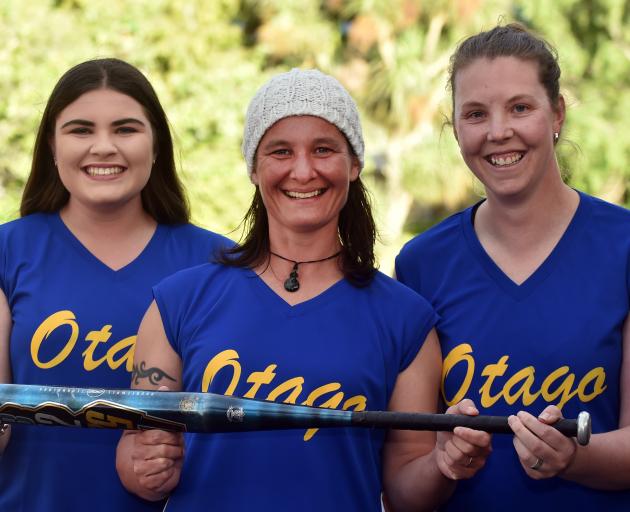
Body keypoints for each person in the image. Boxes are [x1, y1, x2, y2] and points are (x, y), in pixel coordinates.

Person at [115, 68, 491, 511]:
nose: (303, 170)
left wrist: (444, 462)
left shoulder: (406, 320)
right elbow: (134, 453)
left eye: (323, 149)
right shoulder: (178, 303)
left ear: (353, 164)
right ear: (254, 168)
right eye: (280, 151)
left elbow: (407, 492)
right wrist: (144, 467)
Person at [396, 23, 630, 510]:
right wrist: (444, 460)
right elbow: (404, 486)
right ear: (455, 128)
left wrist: (573, 457)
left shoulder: (622, 246)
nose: (498, 131)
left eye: (520, 108)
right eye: (476, 114)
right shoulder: (421, 264)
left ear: (557, 113)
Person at [0, 58, 230, 511]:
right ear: (51, 145)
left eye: (125, 129)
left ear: (156, 143)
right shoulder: (7, 251)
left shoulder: (218, 263)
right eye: (80, 130)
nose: (103, 147)